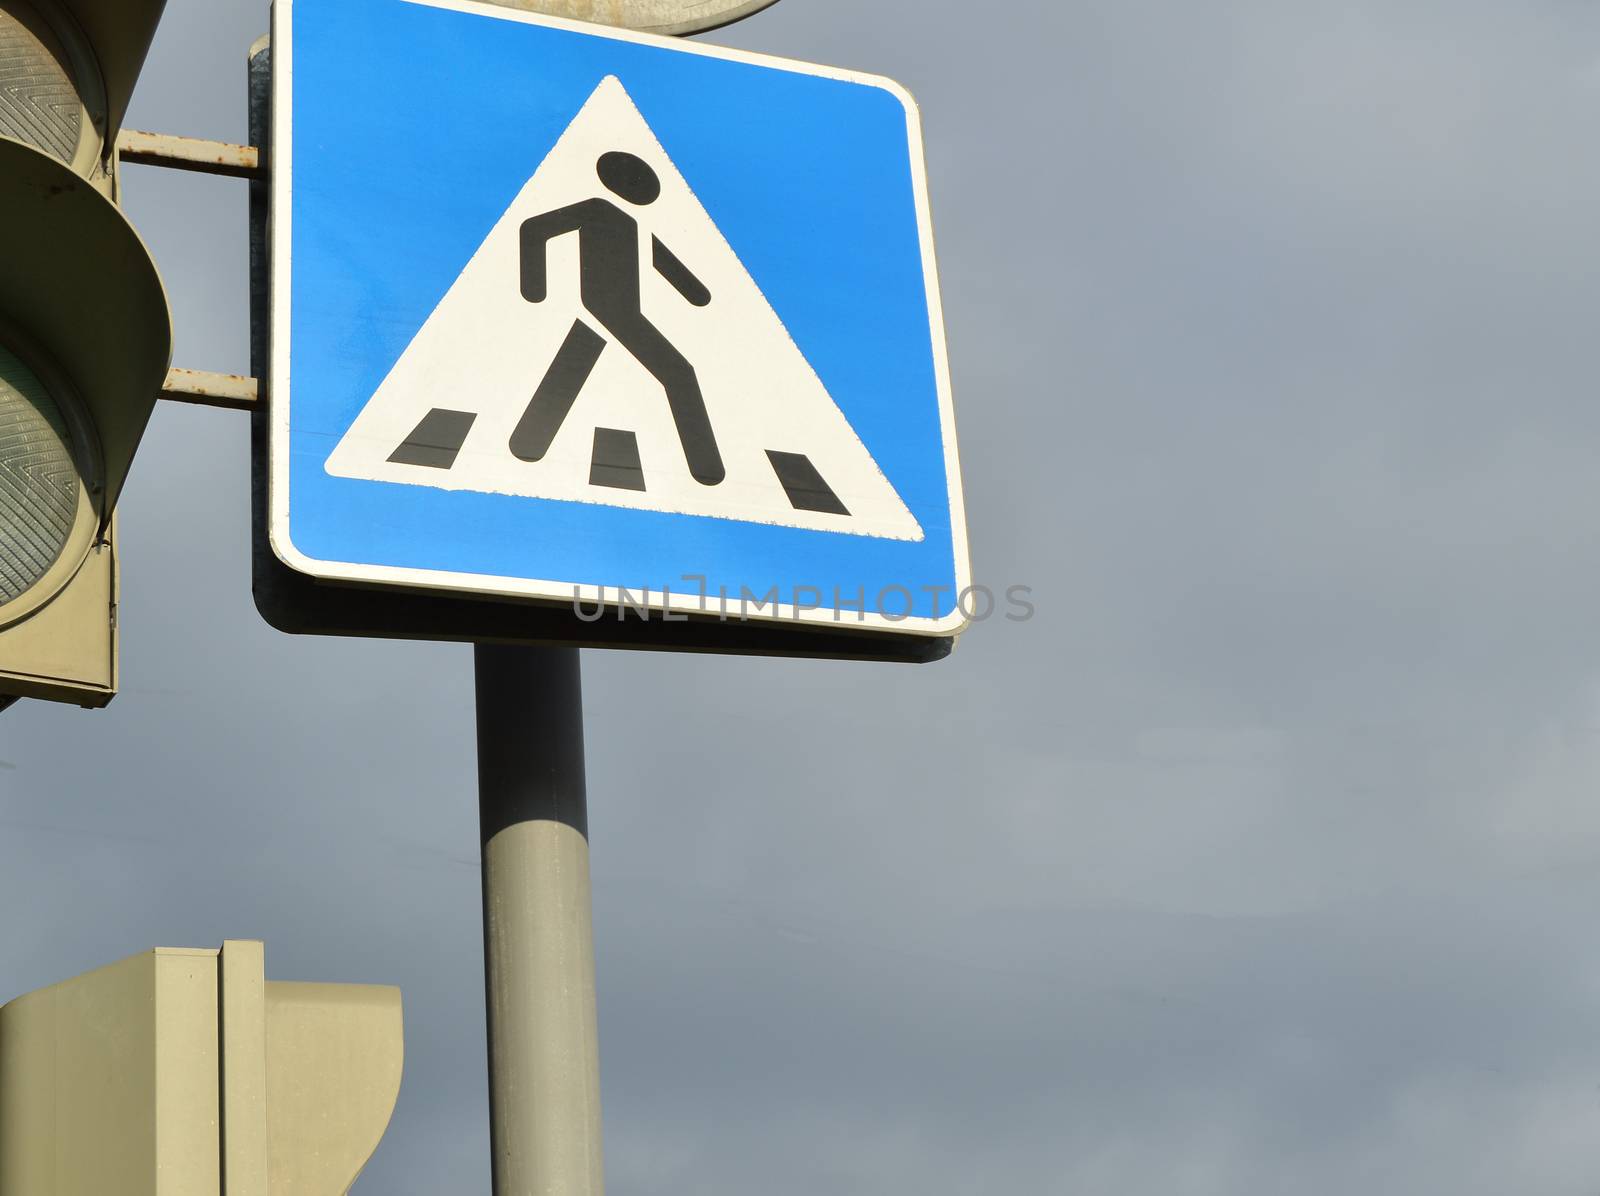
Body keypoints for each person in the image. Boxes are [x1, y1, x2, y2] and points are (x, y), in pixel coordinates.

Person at [513, 150, 725, 486]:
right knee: (679, 373)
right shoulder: (596, 209)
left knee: (570, 370)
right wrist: (535, 288)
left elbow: (664, 263)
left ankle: (526, 443)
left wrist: (697, 294)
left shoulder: (636, 225)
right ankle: (707, 468)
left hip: (617, 310)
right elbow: (536, 229)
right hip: (607, 308)